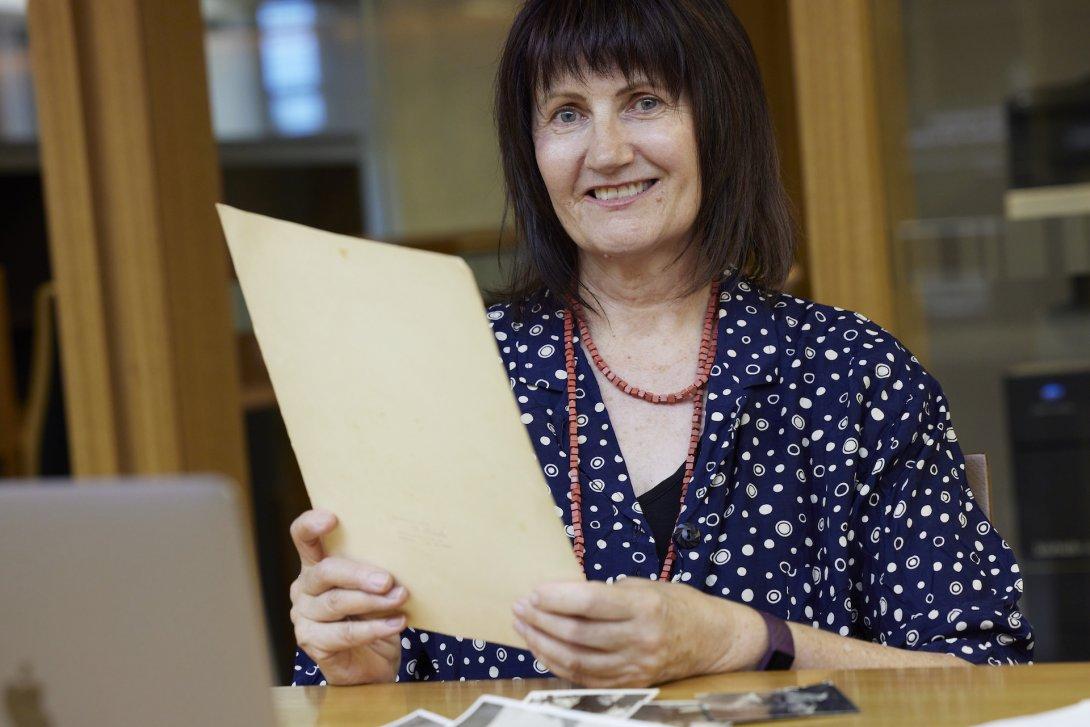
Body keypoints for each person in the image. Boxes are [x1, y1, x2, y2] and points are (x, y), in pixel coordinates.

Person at [288, 0, 1032, 688]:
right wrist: (359, 667)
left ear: (719, 122)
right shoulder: (442, 378)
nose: (607, 151)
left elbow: (985, 677)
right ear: (532, 150)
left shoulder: (852, 374)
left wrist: (740, 637)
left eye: (645, 102)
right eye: (567, 112)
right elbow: (351, 688)